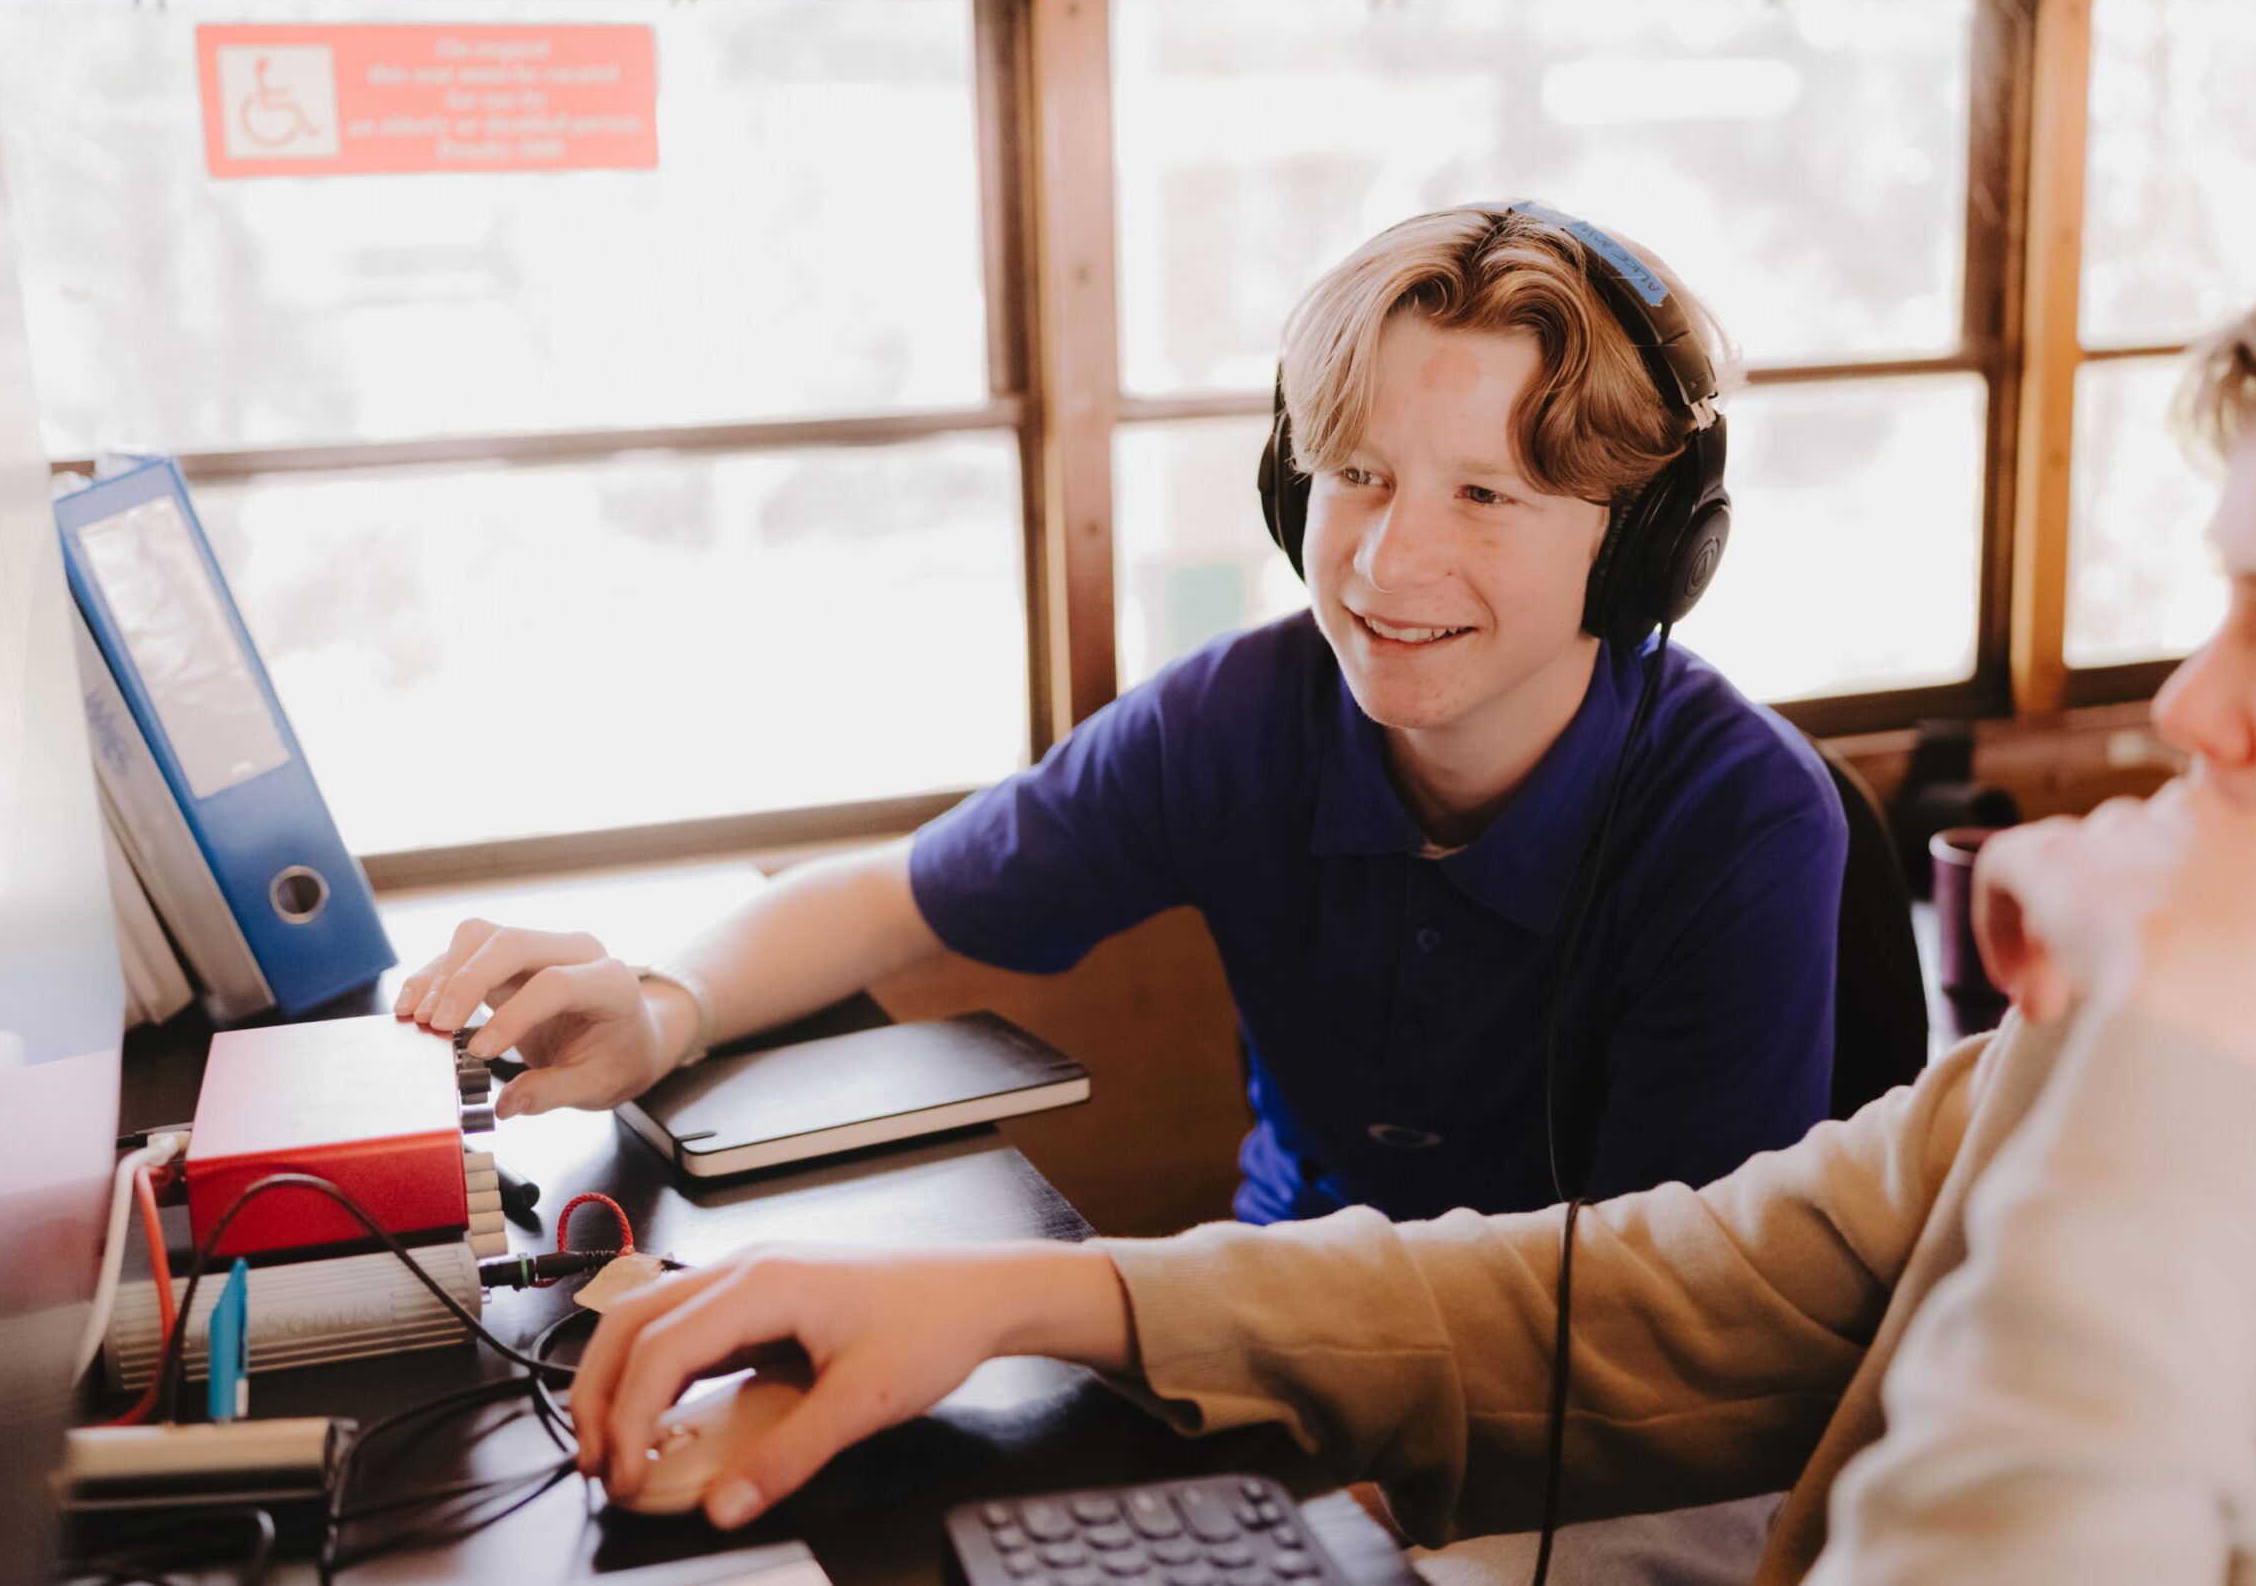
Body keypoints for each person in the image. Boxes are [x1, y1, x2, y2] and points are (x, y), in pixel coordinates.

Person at [564, 230, 2256, 1582]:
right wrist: (1014, 1301)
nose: (2189, 707)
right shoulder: (2160, 1052)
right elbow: (1654, 1296)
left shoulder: (2142, 1063)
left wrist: (2170, 1136)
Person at [398, 202, 1847, 1224]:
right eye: (1355, 472)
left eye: (1486, 494)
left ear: (1650, 548)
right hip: (1287, 1338)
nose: (1391, 561)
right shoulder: (1243, 716)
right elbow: (893, 900)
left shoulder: (1746, 826)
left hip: (1583, 1442)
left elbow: (1670, 1323)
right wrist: (659, 1008)